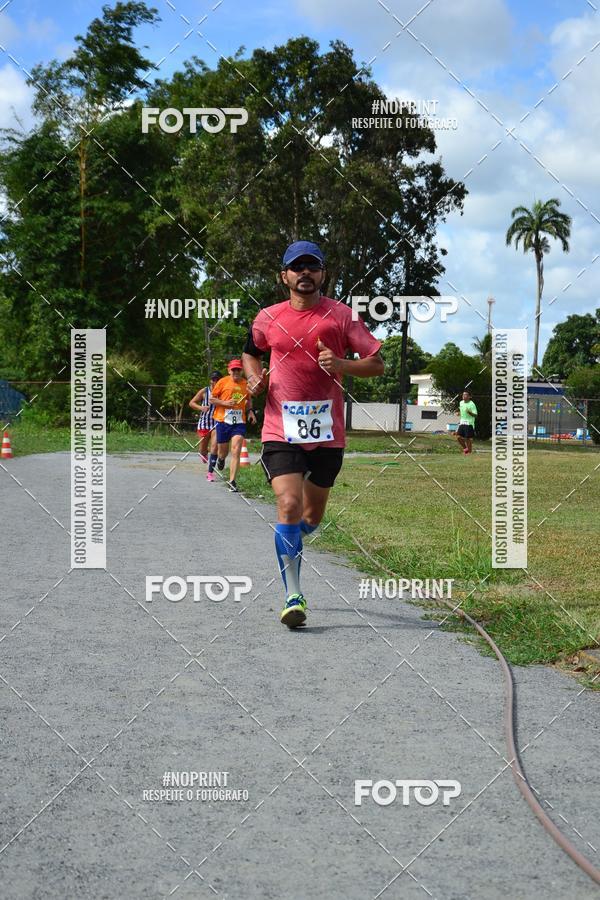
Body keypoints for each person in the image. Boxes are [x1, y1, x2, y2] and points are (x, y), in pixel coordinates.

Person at [242, 240, 384, 628]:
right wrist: (255, 378)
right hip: (279, 427)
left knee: (311, 516)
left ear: (323, 274)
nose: (305, 273)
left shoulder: (341, 316)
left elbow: (376, 364)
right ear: (284, 275)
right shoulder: (267, 317)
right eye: (297, 267)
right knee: (287, 504)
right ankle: (293, 594)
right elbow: (251, 352)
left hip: (327, 432)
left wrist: (341, 364)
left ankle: (293, 540)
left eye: (313, 266)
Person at [209, 359, 257, 491]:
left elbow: (248, 400)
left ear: (241, 371)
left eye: (238, 369)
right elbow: (211, 399)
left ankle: (232, 481)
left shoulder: (245, 383)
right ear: (229, 370)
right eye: (233, 369)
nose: (236, 372)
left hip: (238, 421)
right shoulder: (222, 382)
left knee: (236, 450)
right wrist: (225, 403)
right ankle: (220, 459)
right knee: (223, 451)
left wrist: (250, 411)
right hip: (223, 421)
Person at [189, 371, 221, 470]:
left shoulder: (223, 391)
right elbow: (191, 403)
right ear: (210, 380)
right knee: (202, 450)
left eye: (217, 379)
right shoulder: (204, 391)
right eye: (213, 379)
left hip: (217, 422)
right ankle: (204, 453)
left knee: (214, 447)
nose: (215, 381)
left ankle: (211, 470)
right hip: (204, 423)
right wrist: (201, 408)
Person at [456, 390, 477, 455]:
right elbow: (461, 410)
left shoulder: (472, 404)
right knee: (458, 437)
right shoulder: (461, 402)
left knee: (467, 439)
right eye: (463, 395)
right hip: (462, 422)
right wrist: (458, 413)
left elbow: (475, 415)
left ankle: (469, 453)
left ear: (469, 396)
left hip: (469, 423)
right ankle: (466, 449)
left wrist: (469, 412)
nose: (463, 396)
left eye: (465, 395)